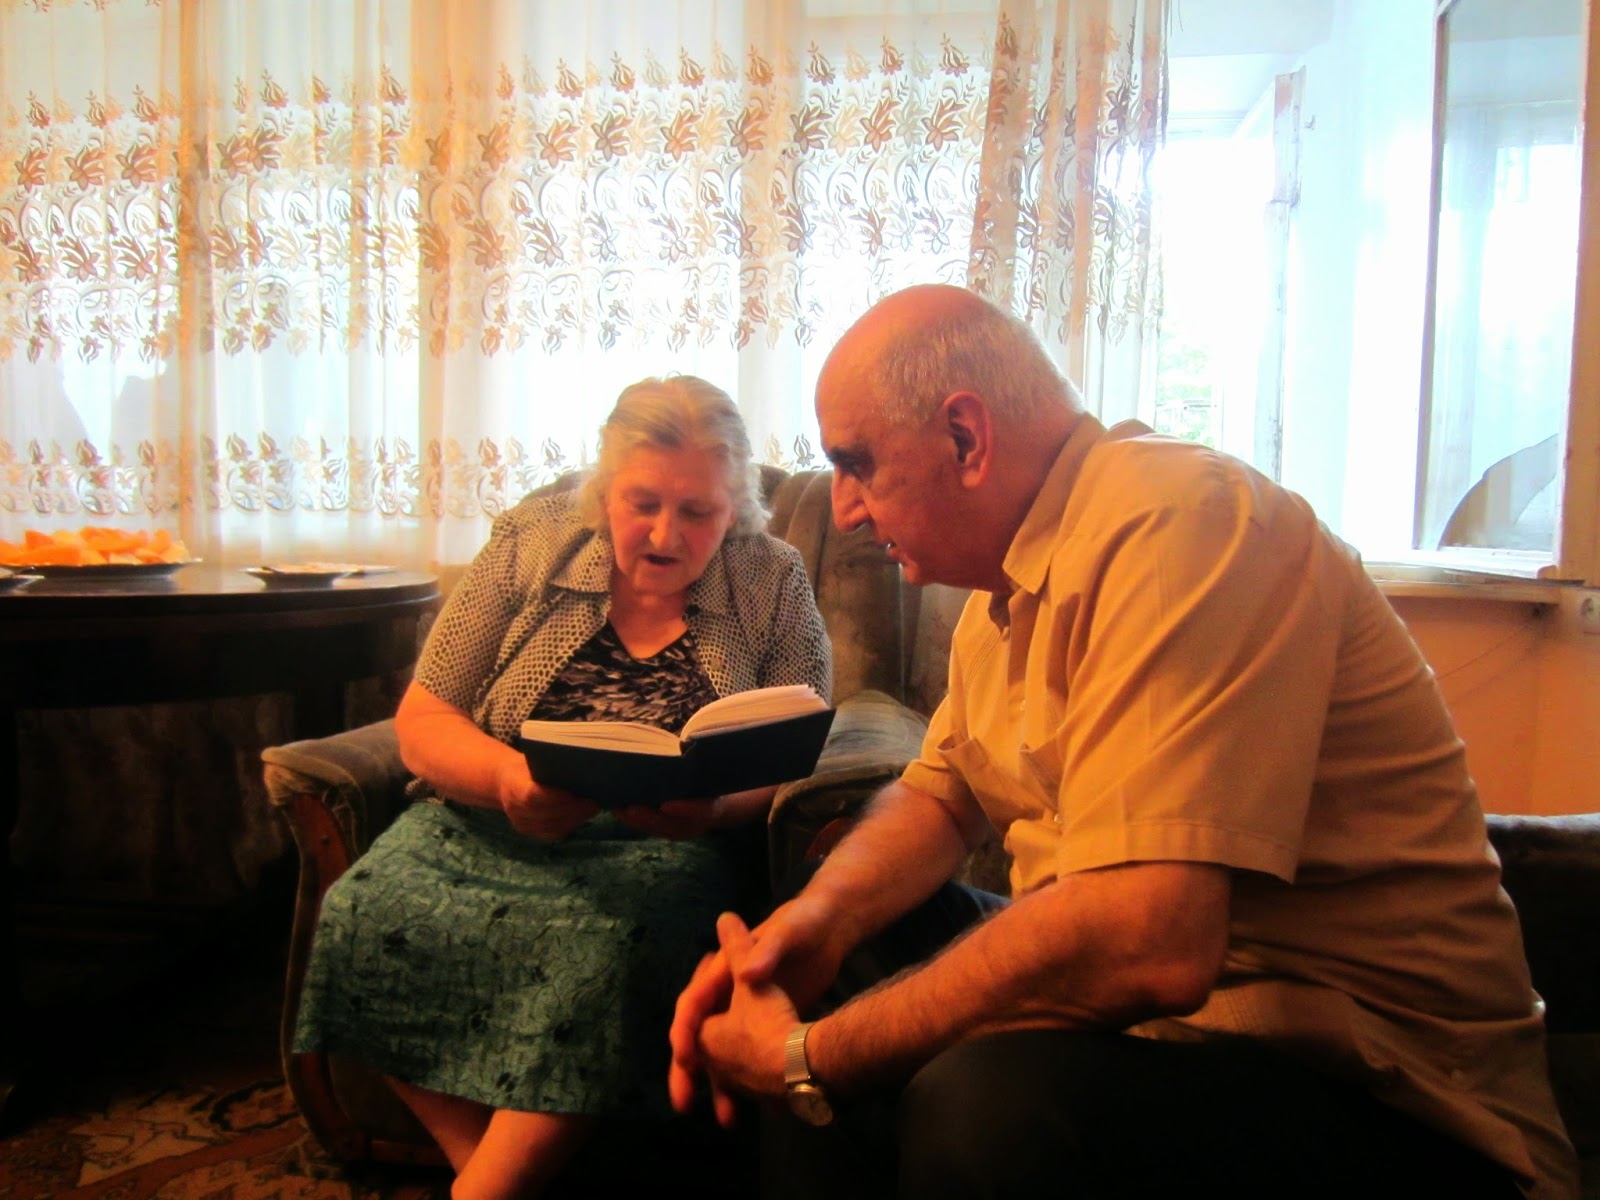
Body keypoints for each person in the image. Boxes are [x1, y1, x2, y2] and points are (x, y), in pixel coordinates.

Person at [668, 285, 1579, 1200]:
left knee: (989, 1106)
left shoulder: (1180, 522)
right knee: (848, 950)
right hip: (1190, 1034)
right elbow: (940, 797)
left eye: (857, 465)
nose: (847, 509)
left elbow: (1149, 941)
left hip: (1389, 1097)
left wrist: (809, 1056)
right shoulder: (1006, 589)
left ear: (966, 438)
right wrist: (808, 931)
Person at [293, 375, 832, 1199]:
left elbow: (800, 746)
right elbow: (424, 715)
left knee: (622, 949)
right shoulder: (531, 541)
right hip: (487, 822)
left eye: (698, 512)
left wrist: (720, 806)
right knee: (360, 909)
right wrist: (508, 777)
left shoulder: (774, 578)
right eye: (642, 503)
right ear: (604, 491)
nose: (665, 533)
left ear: (736, 509)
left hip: (660, 849)